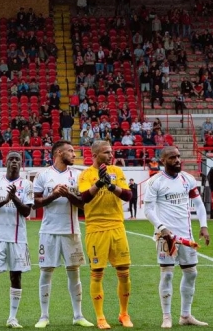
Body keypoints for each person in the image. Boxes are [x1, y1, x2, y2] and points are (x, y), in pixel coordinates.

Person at [142, 146, 211, 328]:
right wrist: (162, 228)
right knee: (167, 276)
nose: (178, 160)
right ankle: (166, 317)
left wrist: (203, 226)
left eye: (179, 156)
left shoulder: (187, 179)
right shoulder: (154, 182)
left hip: (186, 235)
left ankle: (185, 315)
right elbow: (148, 209)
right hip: (165, 237)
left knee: (191, 273)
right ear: (163, 161)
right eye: (172, 157)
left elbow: (198, 204)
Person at [32, 141, 93, 328]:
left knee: (74, 273)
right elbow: (34, 204)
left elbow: (84, 204)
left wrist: (67, 195)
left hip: (71, 230)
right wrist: (53, 195)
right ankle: (43, 316)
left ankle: (78, 315)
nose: (74, 154)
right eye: (71, 151)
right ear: (59, 153)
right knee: (46, 272)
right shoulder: (43, 175)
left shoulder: (78, 176)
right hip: (49, 231)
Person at [79, 140, 134, 329]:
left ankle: (124, 314)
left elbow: (128, 195)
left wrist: (110, 186)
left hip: (117, 227)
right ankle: (100, 317)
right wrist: (100, 183)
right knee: (97, 273)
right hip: (95, 228)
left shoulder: (117, 172)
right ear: (94, 155)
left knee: (124, 273)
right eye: (106, 152)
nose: (111, 155)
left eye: (111, 152)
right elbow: (84, 198)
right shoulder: (86, 175)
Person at [0, 151, 33, 329]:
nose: (13, 162)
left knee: (16, 276)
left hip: (18, 238)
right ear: (5, 161)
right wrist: (5, 200)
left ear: (21, 163)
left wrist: (14, 197)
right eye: (10, 159)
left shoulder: (27, 184)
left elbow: (27, 212)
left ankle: (12, 318)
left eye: (17, 159)